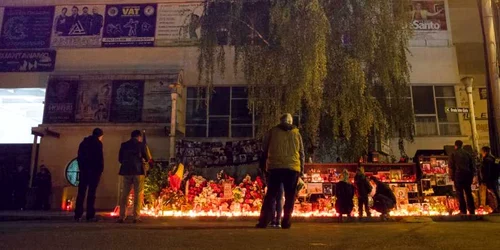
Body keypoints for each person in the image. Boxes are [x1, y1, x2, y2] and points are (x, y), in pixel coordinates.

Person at [256, 113, 304, 229]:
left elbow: (264, 149)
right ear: (291, 121)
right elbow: (301, 153)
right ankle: (286, 221)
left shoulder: (272, 132)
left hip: (274, 167)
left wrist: (263, 166)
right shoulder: (296, 133)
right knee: (290, 196)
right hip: (292, 168)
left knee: (271, 195)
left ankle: (263, 221)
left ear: (280, 121)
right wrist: (301, 169)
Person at [117, 130, 151, 223]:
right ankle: (136, 217)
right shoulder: (141, 145)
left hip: (126, 171)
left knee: (125, 194)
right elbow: (147, 158)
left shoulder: (124, 145)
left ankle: (122, 216)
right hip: (138, 171)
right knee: (138, 194)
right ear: (139, 137)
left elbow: (120, 159)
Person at [75, 128, 104, 222]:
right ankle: (90, 215)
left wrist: (81, 168)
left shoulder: (83, 143)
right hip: (94, 172)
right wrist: (100, 170)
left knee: (81, 193)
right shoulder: (98, 144)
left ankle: (77, 214)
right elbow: (99, 158)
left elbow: (79, 157)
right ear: (100, 135)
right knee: (91, 193)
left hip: (84, 171)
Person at [449, 140, 476, 215]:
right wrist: (472, 176)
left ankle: (463, 210)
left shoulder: (453, 154)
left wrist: (452, 177)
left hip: (458, 175)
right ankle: (472, 210)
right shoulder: (467, 154)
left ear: (455, 146)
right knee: (468, 193)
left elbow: (451, 166)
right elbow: (472, 166)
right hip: (467, 175)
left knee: (460, 193)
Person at [480, 146, 500, 212]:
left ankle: (496, 208)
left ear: (485, 152)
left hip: (490, 180)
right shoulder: (493, 158)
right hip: (495, 178)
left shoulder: (486, 160)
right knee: (495, 192)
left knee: (492, 193)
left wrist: (484, 180)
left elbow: (486, 171)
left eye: (482, 152)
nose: (481, 154)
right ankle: (496, 207)